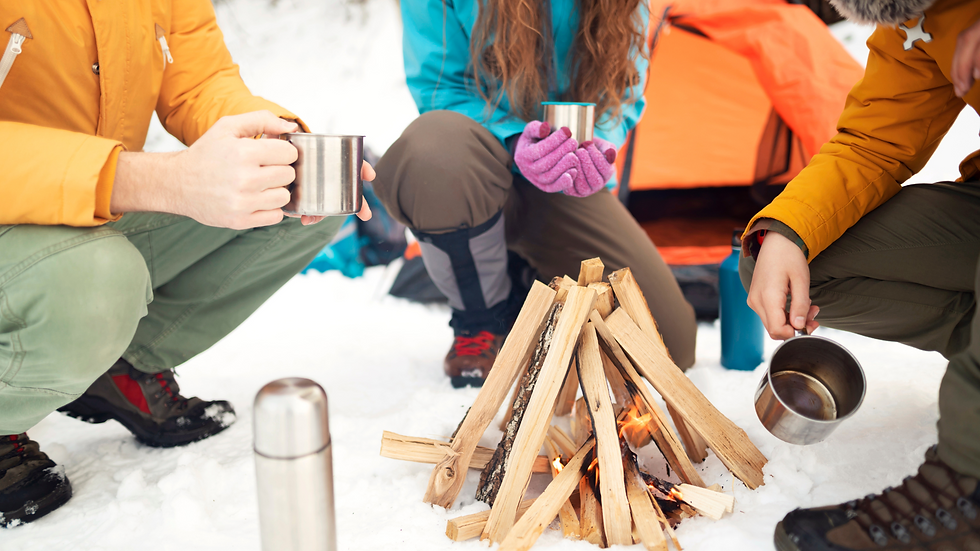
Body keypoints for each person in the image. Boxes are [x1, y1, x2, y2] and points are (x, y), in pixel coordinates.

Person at [0, 3, 373, 527]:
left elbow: (199, 82)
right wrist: (161, 180)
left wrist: (281, 150)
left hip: (83, 213)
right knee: (98, 277)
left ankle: (119, 367)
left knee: (286, 199)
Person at [739, 0, 980, 548]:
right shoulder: (917, 13)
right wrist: (787, 231)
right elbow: (873, 142)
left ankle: (967, 489)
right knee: (790, 262)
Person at [375, 0, 697, 387]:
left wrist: (599, 147)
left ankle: (525, 284)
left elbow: (624, 87)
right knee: (432, 149)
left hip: (564, 179)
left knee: (667, 344)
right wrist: (514, 141)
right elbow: (440, 86)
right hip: (476, 161)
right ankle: (481, 320)